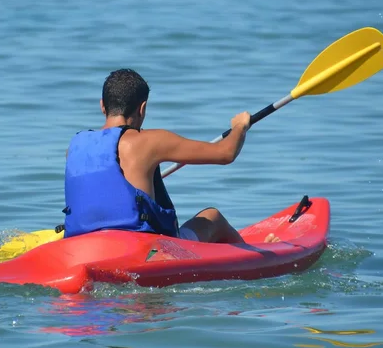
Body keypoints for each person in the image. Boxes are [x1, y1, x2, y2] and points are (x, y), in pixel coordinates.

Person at [61, 69, 279, 244]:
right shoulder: (150, 141)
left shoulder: (75, 147)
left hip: (84, 244)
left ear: (102, 106)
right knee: (213, 218)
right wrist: (239, 127)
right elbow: (226, 153)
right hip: (145, 248)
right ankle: (252, 254)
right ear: (142, 108)